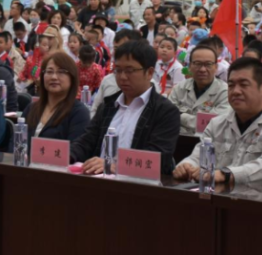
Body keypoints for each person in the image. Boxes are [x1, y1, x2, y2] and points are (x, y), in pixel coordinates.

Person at [174, 57, 262, 193]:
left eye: (244, 84)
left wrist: (226, 174)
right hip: (220, 202)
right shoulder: (217, 124)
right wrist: (186, 166)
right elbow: (198, 157)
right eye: (231, 85)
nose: (236, 91)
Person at [71, 39, 180, 175]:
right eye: (118, 70)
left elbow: (158, 158)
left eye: (130, 70)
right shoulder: (108, 105)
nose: (122, 77)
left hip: (138, 187)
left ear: (149, 73)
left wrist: (116, 165)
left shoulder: (165, 111)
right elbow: (86, 141)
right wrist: (65, 156)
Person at [22, 52, 90, 142]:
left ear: (72, 77)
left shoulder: (79, 113)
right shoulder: (32, 108)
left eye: (61, 72)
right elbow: (15, 142)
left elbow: (75, 150)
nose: (54, 77)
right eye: (49, 71)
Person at [168, 40, 231, 135]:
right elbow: (167, 116)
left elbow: (216, 123)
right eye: (197, 63)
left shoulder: (225, 92)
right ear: (189, 67)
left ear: (216, 67)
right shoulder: (180, 88)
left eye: (208, 64)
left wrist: (180, 116)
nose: (202, 69)